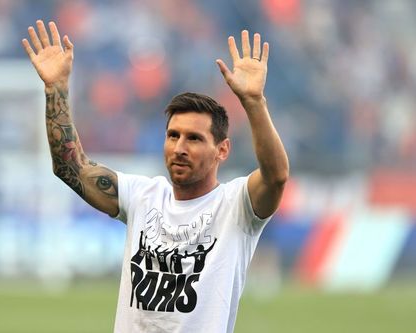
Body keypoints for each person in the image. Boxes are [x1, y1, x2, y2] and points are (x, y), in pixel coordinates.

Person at [22, 20, 289, 333]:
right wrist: (56, 89)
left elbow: (276, 177)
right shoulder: (143, 196)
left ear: (222, 150)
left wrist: (254, 102)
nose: (179, 148)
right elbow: (70, 168)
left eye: (194, 138)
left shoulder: (236, 207)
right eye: (173, 135)